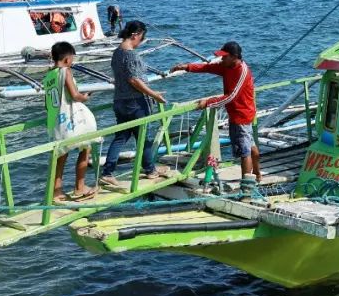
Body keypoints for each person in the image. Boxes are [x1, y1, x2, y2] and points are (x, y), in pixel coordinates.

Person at [171, 41, 260, 183]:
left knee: (245, 152)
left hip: (241, 115)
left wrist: (208, 102)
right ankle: (257, 174)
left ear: (234, 56)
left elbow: (231, 96)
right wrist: (187, 67)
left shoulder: (242, 71)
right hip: (239, 113)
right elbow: (208, 67)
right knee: (250, 146)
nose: (222, 59)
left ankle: (246, 188)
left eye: (225, 57)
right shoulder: (227, 66)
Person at [100, 21, 169, 186]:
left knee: (122, 136)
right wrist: (154, 95)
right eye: (142, 38)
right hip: (135, 103)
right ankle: (150, 170)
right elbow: (134, 80)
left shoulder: (116, 53)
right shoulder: (131, 55)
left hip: (119, 100)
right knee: (143, 136)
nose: (141, 41)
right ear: (135, 35)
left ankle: (108, 172)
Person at [42, 41, 98, 200]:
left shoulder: (48, 76)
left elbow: (47, 103)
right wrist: (85, 97)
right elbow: (74, 95)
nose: (72, 61)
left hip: (55, 121)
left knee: (61, 157)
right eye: (72, 58)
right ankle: (80, 187)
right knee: (85, 148)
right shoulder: (65, 71)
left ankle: (56, 192)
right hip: (69, 119)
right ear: (67, 59)